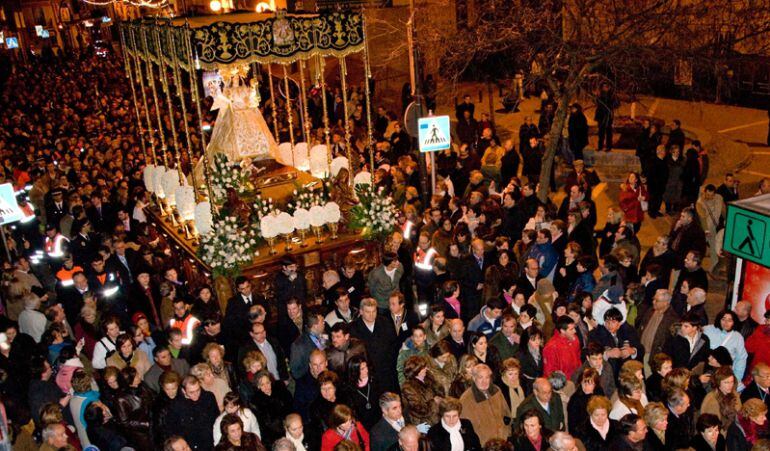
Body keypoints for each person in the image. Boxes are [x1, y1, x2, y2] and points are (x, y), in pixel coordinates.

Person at [165, 375, 220, 451]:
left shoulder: (208, 397)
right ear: (183, 391)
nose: (196, 394)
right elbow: (173, 431)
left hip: (211, 443)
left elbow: (216, 419)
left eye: (198, 390)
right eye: (191, 392)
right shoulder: (175, 407)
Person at [459, 363, 509, 443]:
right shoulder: (466, 399)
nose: (484, 381)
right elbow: (465, 429)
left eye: (487, 377)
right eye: (480, 377)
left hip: (502, 441)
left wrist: (507, 433)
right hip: (484, 444)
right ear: (474, 378)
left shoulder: (496, 391)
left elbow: (506, 414)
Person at [703, 310, 748, 383]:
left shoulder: (737, 337)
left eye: (730, 320)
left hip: (724, 373)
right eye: (723, 319)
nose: (726, 323)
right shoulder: (707, 330)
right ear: (719, 319)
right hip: (707, 370)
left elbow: (741, 359)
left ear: (734, 322)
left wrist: (737, 379)